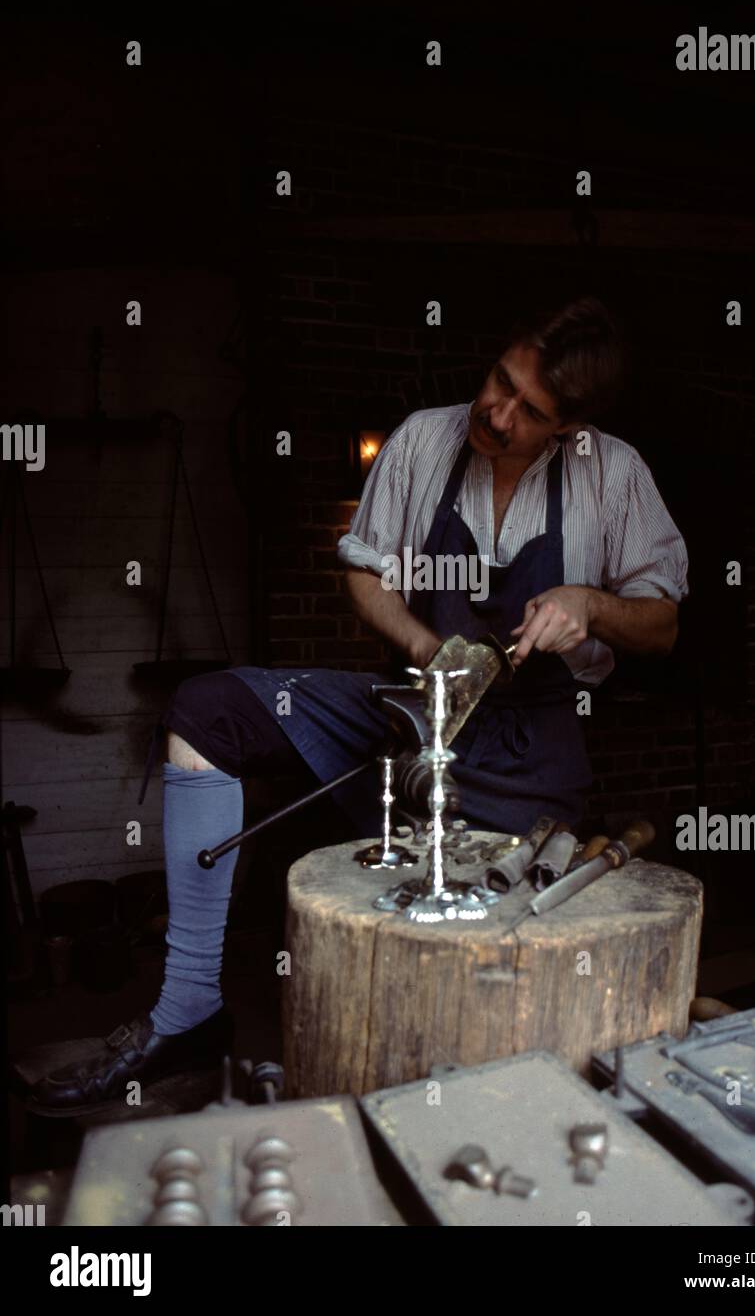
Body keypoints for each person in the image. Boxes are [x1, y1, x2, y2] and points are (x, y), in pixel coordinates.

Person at [25, 294, 688, 1116]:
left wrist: (589, 601)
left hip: (528, 747)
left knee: (484, 949)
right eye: (499, 380)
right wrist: (422, 649)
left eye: (529, 410)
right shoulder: (422, 440)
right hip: (408, 709)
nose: (497, 411)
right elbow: (365, 574)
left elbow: (660, 623)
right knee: (206, 710)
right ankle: (188, 1008)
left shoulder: (611, 474)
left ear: (567, 429)